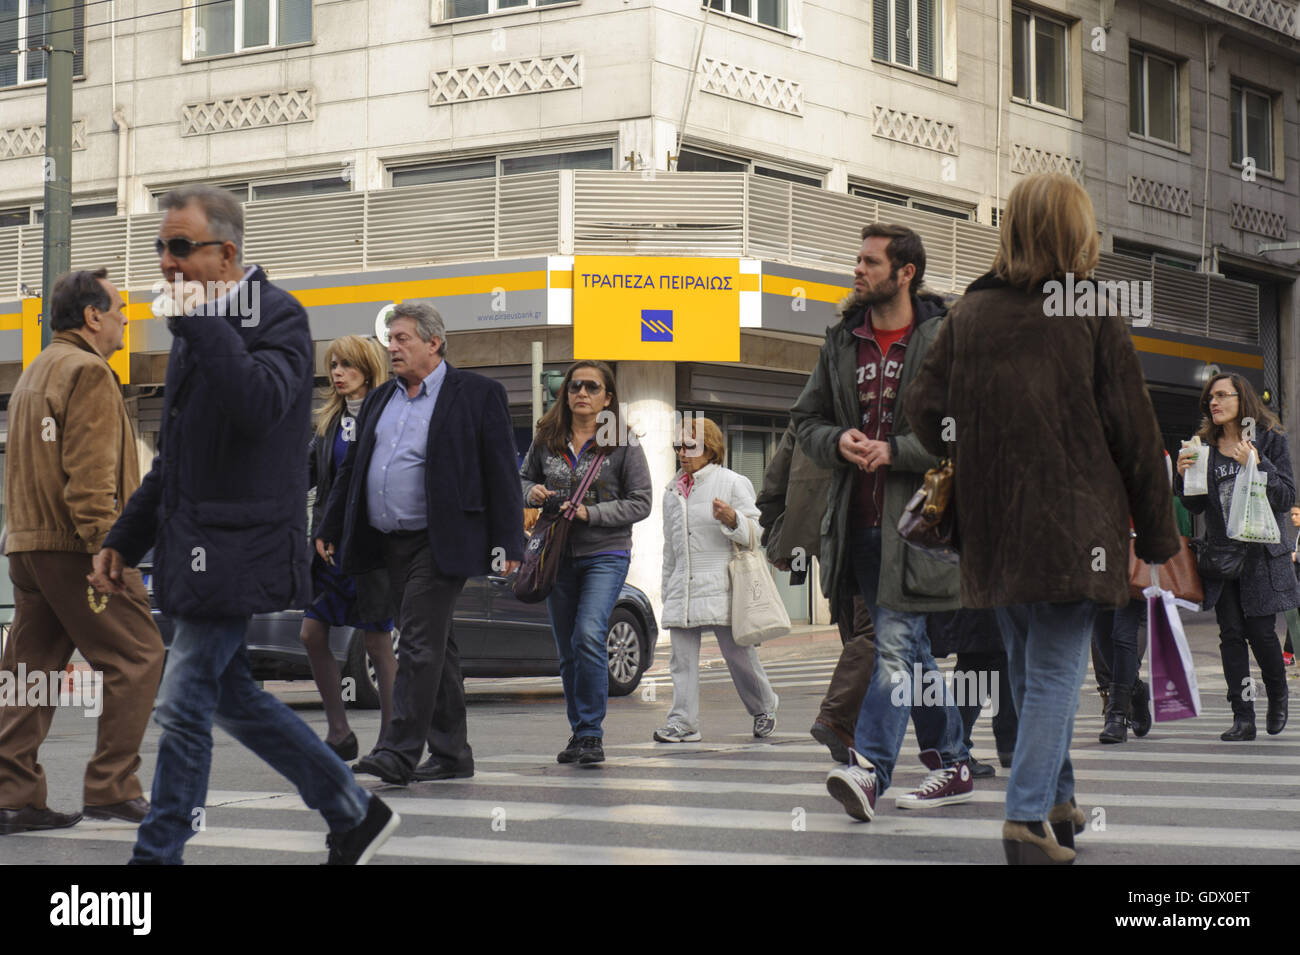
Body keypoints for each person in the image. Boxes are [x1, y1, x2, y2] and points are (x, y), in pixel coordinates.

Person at [92, 185, 398, 864]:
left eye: (180, 247)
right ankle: (352, 809)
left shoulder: (278, 317)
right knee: (230, 697)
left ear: (226, 254)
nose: (167, 263)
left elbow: (258, 405)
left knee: (181, 701)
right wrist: (124, 537)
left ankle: (156, 855)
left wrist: (200, 324)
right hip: (197, 549)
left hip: (239, 551)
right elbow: (177, 461)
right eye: (160, 247)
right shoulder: (197, 331)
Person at [905, 173, 1179, 864]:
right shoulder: (1088, 306)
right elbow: (1135, 433)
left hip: (994, 526)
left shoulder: (970, 312)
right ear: (1074, 232)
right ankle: (1024, 820)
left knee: (1030, 668)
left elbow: (923, 411)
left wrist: (974, 441)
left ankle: (1058, 800)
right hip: (1074, 524)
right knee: (1055, 672)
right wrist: (1157, 535)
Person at [791, 223, 974, 822]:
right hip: (858, 524)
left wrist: (898, 450)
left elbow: (963, 429)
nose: (858, 270)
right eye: (858, 259)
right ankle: (953, 759)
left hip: (920, 527)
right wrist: (837, 440)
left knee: (893, 647)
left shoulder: (944, 339)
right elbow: (806, 420)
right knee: (910, 650)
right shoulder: (843, 339)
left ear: (905, 272)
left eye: (870, 262)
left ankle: (868, 770)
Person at [315, 302, 524, 785]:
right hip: (387, 543)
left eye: (402, 338)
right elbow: (353, 470)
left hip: (441, 540)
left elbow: (500, 472)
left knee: (417, 641)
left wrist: (509, 540)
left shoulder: (476, 394)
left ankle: (397, 750)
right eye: (390, 339)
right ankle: (452, 754)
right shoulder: (380, 398)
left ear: (434, 343)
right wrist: (329, 524)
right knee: (439, 648)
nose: (392, 347)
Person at [0, 269, 165, 835]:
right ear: (92, 317)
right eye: (120, 308)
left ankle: (12, 795)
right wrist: (107, 549)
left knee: (30, 671)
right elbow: (90, 477)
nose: (126, 317)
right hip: (75, 546)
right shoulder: (89, 372)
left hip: (27, 547)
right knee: (139, 654)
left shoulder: (36, 372)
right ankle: (112, 788)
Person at [519, 360, 652, 765]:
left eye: (592, 387)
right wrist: (534, 493)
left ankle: (592, 732)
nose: (581, 392)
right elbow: (522, 479)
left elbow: (641, 502)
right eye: (575, 385)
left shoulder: (622, 442)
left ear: (607, 398)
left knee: (589, 633)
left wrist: (590, 514)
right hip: (556, 554)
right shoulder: (547, 437)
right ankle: (579, 732)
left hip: (605, 553)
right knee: (567, 648)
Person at [1176, 373, 1294, 740]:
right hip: (1222, 556)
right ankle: (1243, 716)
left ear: (1242, 400)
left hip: (1260, 556)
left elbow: (1286, 496)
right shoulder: (1204, 446)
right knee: (1230, 635)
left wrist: (1257, 464)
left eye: (1222, 396)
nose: (1214, 403)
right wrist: (1183, 477)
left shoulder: (1270, 440)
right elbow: (1195, 505)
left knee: (1261, 633)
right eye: (1211, 397)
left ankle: (1277, 693)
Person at [301, 335, 397, 761]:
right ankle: (339, 731)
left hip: (372, 545)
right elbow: (304, 476)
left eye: (347, 365)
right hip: (329, 548)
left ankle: (393, 739)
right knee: (311, 632)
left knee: (377, 641)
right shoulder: (327, 422)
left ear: (368, 368)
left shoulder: (389, 415)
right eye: (333, 365)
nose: (337, 373)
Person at [756, 423, 876, 763]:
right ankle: (840, 720)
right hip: (866, 529)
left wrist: (777, 533)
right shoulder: (871, 399)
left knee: (858, 631)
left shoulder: (813, 412)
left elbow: (776, 479)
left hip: (829, 533)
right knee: (877, 633)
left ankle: (853, 732)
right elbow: (779, 477)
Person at [656, 416, 779, 742]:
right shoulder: (671, 490)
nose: (682, 452)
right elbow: (671, 547)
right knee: (680, 661)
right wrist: (667, 586)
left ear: (710, 449)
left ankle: (764, 707)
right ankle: (683, 722)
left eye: (689, 445)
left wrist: (733, 518)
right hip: (683, 584)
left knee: (739, 657)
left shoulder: (731, 482)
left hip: (724, 584)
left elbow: (755, 535)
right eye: (678, 446)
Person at [927, 609, 1018, 775]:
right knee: (996, 657)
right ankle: (1009, 745)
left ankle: (957, 745)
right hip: (988, 606)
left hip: (974, 608)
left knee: (981, 657)